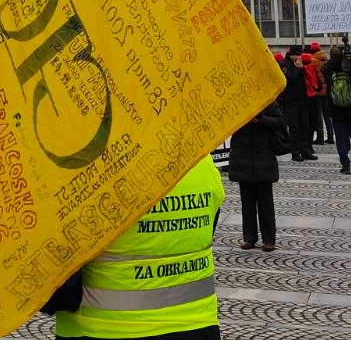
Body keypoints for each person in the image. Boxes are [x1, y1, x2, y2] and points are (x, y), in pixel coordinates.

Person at [46, 153, 224, 337]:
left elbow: (53, 275)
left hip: (106, 330)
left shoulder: (94, 172)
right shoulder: (202, 161)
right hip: (198, 326)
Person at [228, 98, 284, 251]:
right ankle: (249, 237)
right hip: (242, 156)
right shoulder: (236, 101)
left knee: (266, 202)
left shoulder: (266, 98)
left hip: (263, 157)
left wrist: (260, 119)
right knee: (247, 203)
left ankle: (269, 239)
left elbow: (279, 121)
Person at [323, 45, 351, 174]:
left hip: (335, 108)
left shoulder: (328, 69)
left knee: (340, 138)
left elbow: (324, 70)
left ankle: (346, 165)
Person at [277, 48, 314, 162]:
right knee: (294, 128)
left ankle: (305, 150)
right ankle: (295, 152)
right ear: (291, 55)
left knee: (305, 127)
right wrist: (298, 68)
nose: (299, 58)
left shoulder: (300, 63)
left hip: (303, 101)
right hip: (291, 101)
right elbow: (291, 78)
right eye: (297, 55)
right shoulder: (284, 64)